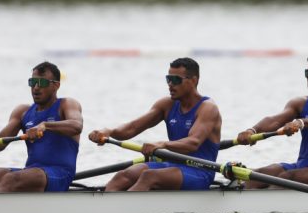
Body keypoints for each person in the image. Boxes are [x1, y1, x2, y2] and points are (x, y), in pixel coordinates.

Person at [89, 57, 222, 191]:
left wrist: (162, 144)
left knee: (149, 176)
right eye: (168, 79)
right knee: (124, 175)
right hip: (172, 166)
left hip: (200, 171)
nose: (170, 84)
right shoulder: (166, 105)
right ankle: (106, 209)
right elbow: (131, 128)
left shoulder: (207, 108)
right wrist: (109, 131)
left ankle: (123, 207)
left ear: (194, 80)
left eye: (176, 80)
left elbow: (193, 143)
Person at [234, 50, 308, 188]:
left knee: (286, 178)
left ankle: (265, 206)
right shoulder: (300, 103)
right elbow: (275, 120)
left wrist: (301, 122)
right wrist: (252, 130)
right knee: (258, 174)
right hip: (302, 166)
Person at [0, 61, 83, 192]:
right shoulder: (23, 111)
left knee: (11, 179)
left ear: (56, 86)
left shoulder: (66, 104)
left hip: (59, 174)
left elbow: (76, 125)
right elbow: (0, 142)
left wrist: (45, 126)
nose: (36, 87)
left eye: (42, 83)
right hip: (31, 173)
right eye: (32, 82)